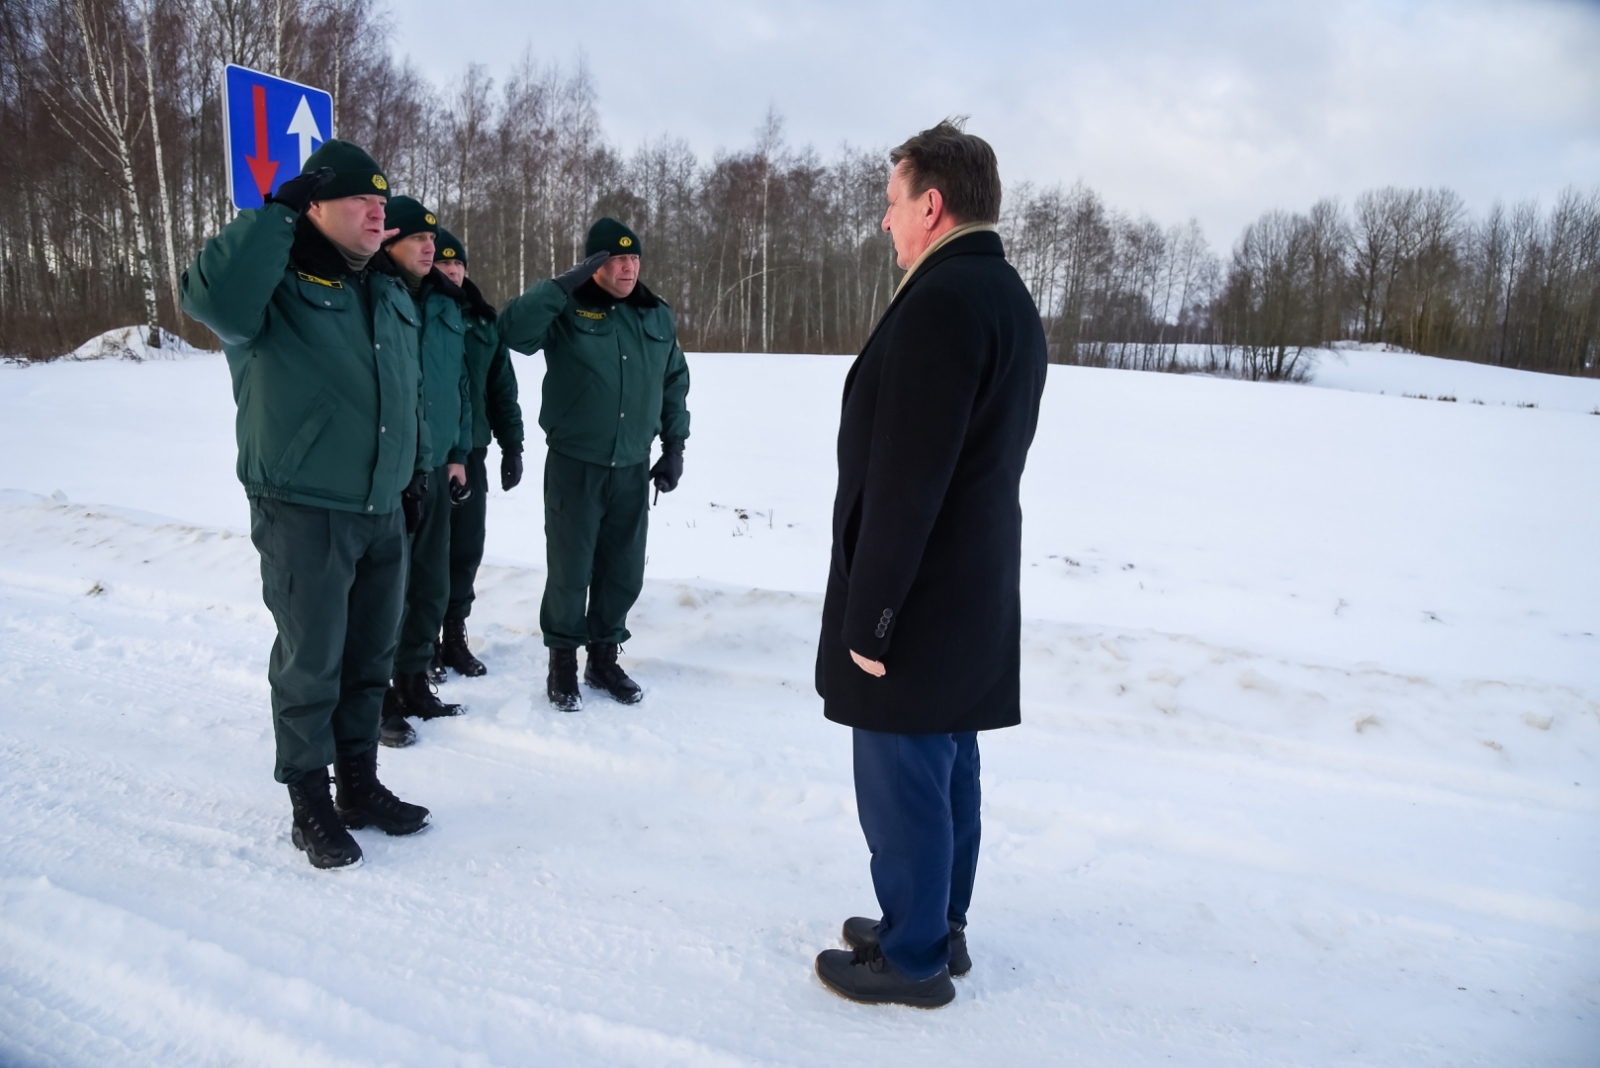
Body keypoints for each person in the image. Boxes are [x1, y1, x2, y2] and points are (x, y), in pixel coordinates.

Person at [812, 121, 1048, 1007]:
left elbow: (908, 480)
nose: (885, 222)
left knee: (905, 765)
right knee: (947, 760)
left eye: (892, 202)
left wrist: (872, 617)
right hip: (969, 584)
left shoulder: (944, 301)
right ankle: (936, 925)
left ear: (932, 204)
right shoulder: (1002, 293)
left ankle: (911, 956)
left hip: (918, 592)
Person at [180, 139, 433, 870]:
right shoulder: (274, 283)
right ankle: (310, 803)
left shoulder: (384, 288)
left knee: (368, 657)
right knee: (311, 663)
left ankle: (360, 786)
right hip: (304, 502)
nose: (376, 210)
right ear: (313, 204)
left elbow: (404, 392)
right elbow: (210, 300)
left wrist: (410, 474)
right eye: (360, 198)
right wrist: (274, 214)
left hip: (381, 505)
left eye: (381, 201)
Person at [498, 217, 690, 712]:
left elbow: (674, 382)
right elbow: (513, 331)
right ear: (595, 264)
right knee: (570, 569)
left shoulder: (655, 314)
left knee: (622, 570)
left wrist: (674, 447)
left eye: (634, 259)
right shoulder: (566, 308)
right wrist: (561, 285)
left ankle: (603, 657)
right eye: (615, 259)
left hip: (631, 465)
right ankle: (562, 660)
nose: (628, 268)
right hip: (575, 464)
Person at [377, 197, 475, 747]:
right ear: (390, 242)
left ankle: (414, 680)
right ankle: (380, 695)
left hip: (437, 463)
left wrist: (458, 452)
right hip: (393, 469)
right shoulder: (378, 294)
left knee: (431, 582)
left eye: (432, 242)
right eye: (417, 239)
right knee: (389, 587)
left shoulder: (444, 304)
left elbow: (458, 385)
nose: (429, 250)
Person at [430, 227, 525, 679]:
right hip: (427, 452)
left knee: (465, 548)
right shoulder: (418, 310)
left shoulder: (484, 322)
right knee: (427, 548)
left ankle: (453, 635)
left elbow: (502, 388)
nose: (451, 270)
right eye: (443, 264)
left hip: (474, 452)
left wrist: (513, 446)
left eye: (458, 264)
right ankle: (421, 641)